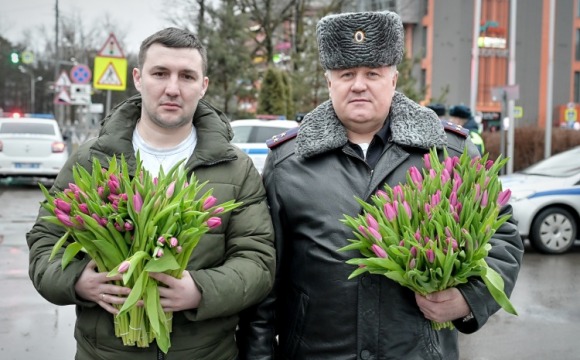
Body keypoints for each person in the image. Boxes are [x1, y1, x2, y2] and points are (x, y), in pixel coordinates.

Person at [236, 11, 523, 360]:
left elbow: (502, 237)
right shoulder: (288, 163)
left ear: (393, 79)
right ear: (330, 82)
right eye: (346, 74)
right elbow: (267, 282)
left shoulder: (450, 151)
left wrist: (469, 299)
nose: (359, 84)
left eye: (373, 73)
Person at [26, 27, 275, 360]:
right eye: (160, 73)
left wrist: (199, 291)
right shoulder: (91, 160)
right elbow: (45, 241)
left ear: (203, 86)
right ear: (138, 78)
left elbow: (257, 261)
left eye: (187, 76)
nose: (173, 88)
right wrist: (77, 281)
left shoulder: (235, 168)